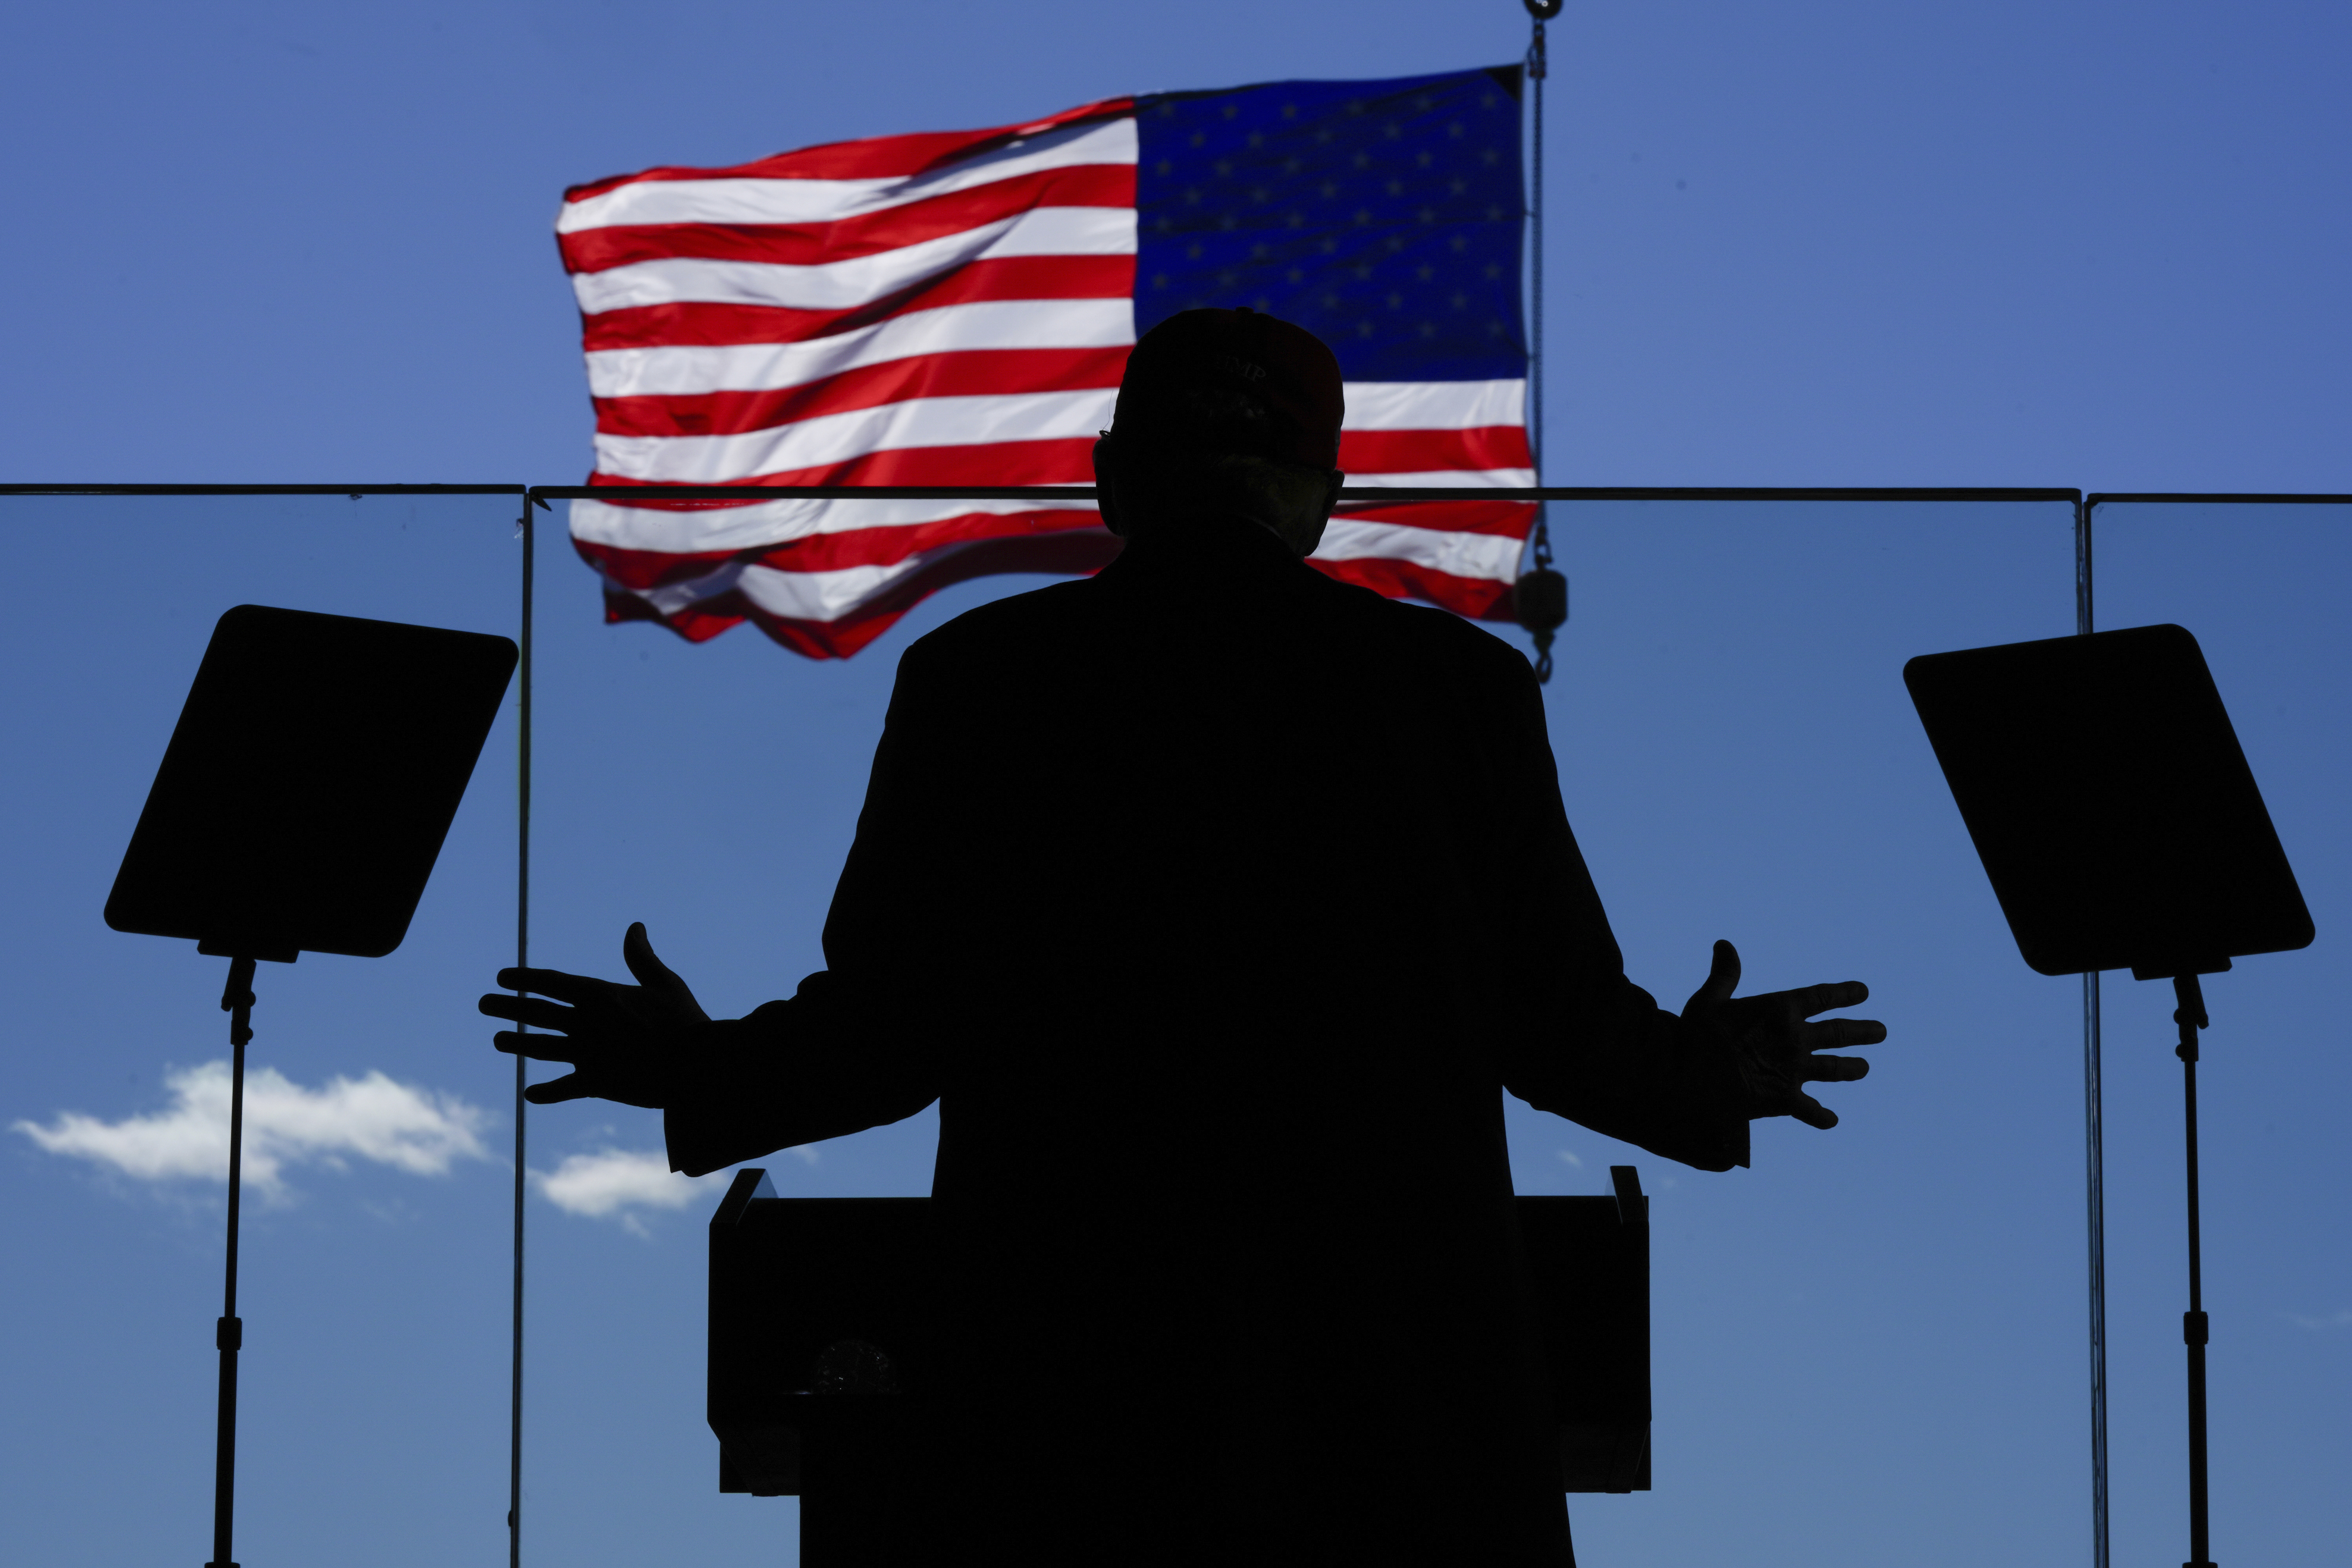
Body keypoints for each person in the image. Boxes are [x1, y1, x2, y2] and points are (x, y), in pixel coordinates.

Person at [481, 307, 1886, 1566]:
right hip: (1398, 1413)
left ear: (1111, 480)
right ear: (1323, 498)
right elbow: (1556, 1025)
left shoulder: (983, 684)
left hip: (1065, 1412)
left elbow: (895, 1031)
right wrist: (1712, 1074)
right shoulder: (1456, 692)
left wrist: (695, 1067)